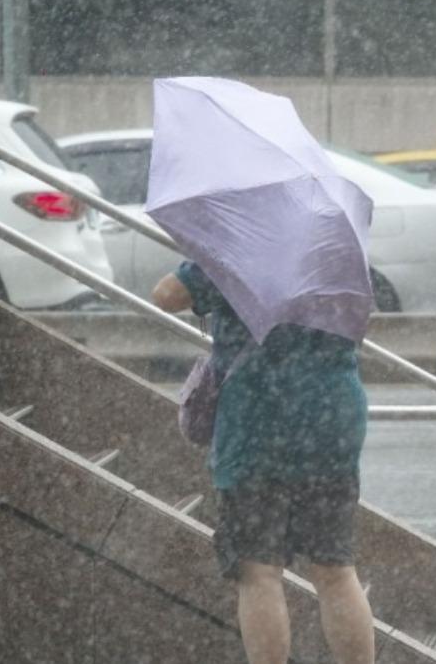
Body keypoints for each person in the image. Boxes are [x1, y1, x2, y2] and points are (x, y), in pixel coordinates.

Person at [152, 261, 374, 664]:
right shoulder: (336, 247)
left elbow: (166, 295)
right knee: (335, 568)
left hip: (258, 423)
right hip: (331, 420)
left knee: (259, 572)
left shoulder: (240, 244)